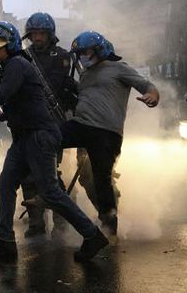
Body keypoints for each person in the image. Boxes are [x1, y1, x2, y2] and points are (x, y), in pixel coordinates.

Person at [0, 21, 107, 262]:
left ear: (10, 43)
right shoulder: (7, 66)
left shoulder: (16, 64)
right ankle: (5, 240)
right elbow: (19, 101)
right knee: (6, 184)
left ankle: (92, 235)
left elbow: (2, 95)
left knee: (51, 192)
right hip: (24, 137)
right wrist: (7, 113)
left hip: (39, 136)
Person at [60, 31, 160, 236]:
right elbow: (88, 98)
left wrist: (152, 96)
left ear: (99, 50)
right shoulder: (86, 74)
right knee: (45, 139)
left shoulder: (118, 68)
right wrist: (75, 90)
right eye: (79, 54)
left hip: (106, 133)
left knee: (101, 179)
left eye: (85, 52)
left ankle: (109, 227)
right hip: (82, 126)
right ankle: (49, 188)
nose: (82, 57)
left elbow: (147, 86)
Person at [19, 12, 80, 237]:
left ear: (50, 34)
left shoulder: (62, 57)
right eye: (34, 33)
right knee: (28, 174)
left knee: (49, 174)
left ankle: (61, 219)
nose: (37, 38)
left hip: (53, 122)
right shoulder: (23, 57)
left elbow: (59, 86)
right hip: (28, 123)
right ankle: (36, 223)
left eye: (41, 33)